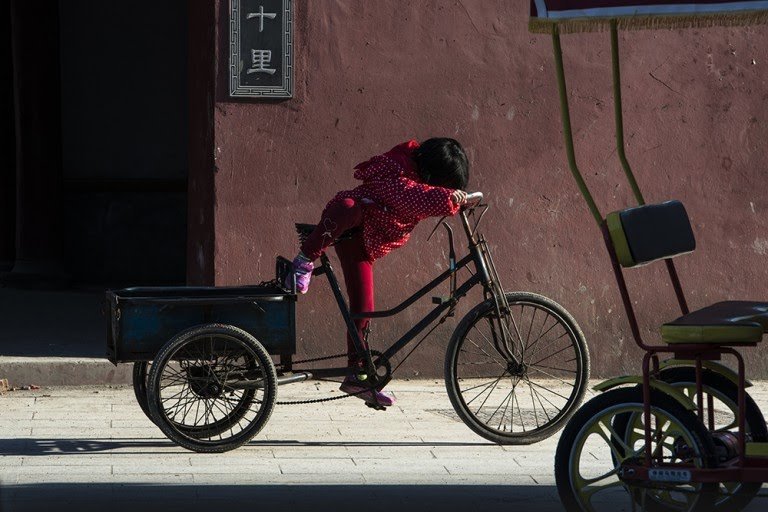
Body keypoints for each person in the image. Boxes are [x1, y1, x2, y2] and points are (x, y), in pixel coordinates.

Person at [287, 138, 470, 406]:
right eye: (445, 184)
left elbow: (422, 197)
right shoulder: (397, 167)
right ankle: (304, 260)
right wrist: (446, 198)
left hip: (366, 243)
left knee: (363, 311)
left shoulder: (421, 183)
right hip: (352, 227)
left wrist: (459, 199)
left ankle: (356, 377)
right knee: (349, 206)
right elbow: (408, 195)